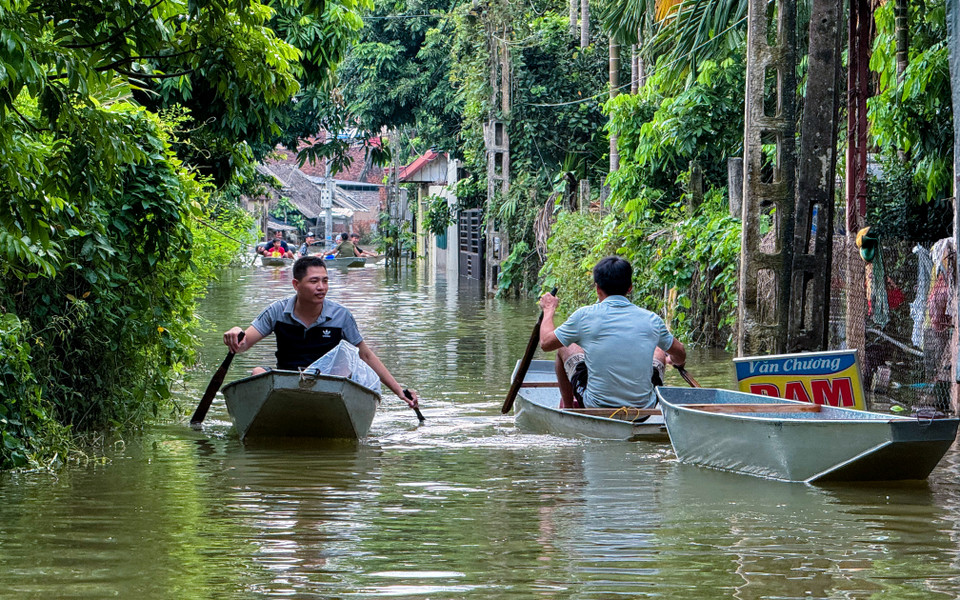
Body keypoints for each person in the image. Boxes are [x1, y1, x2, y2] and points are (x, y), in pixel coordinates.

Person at [223, 256, 420, 409]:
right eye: (314, 281)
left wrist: (399, 391)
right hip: (288, 382)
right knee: (257, 373)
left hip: (329, 385)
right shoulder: (277, 311)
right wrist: (236, 332)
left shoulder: (341, 316)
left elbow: (366, 355)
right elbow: (244, 344)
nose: (321, 287)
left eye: (325, 281)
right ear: (296, 285)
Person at [538, 256, 686, 409]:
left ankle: (568, 408)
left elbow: (546, 343)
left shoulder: (584, 316)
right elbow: (680, 353)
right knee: (659, 350)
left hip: (596, 405)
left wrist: (549, 310)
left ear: (597, 288)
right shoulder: (652, 320)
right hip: (644, 408)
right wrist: (676, 360)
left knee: (564, 347)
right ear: (630, 287)